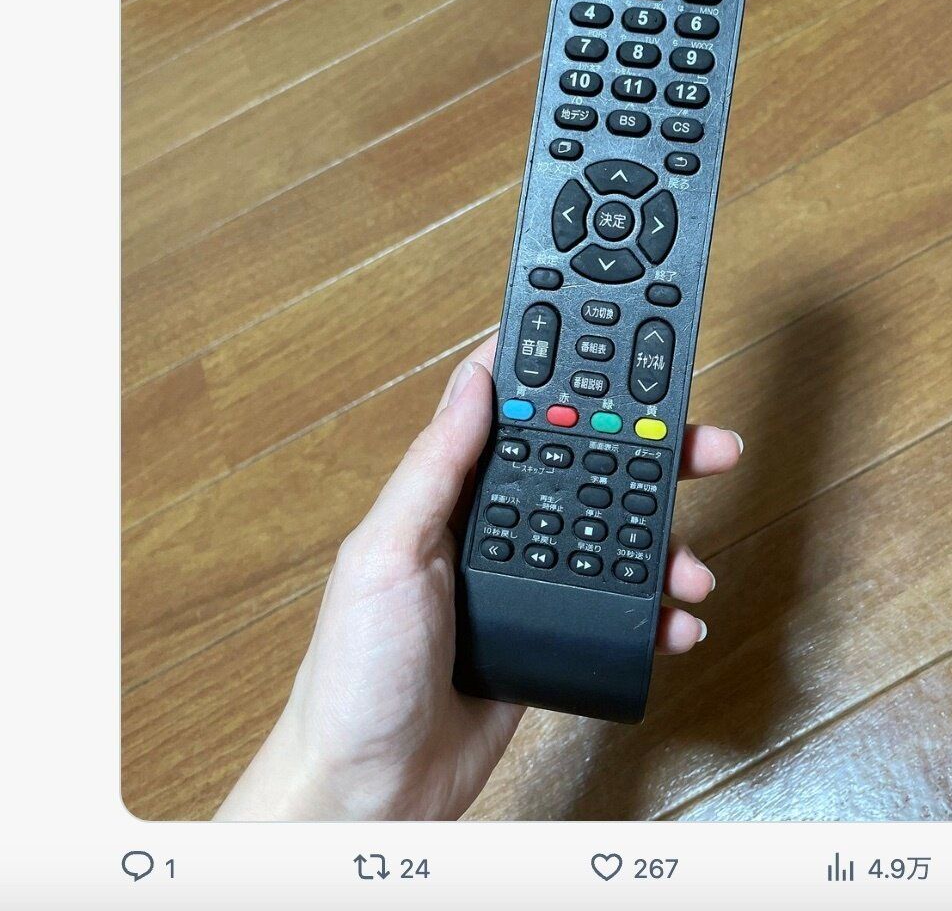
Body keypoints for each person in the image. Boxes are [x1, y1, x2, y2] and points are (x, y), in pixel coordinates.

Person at [215, 334, 743, 820]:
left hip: (513, 626)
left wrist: (340, 788)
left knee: (628, 489)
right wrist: (342, 784)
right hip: (488, 627)